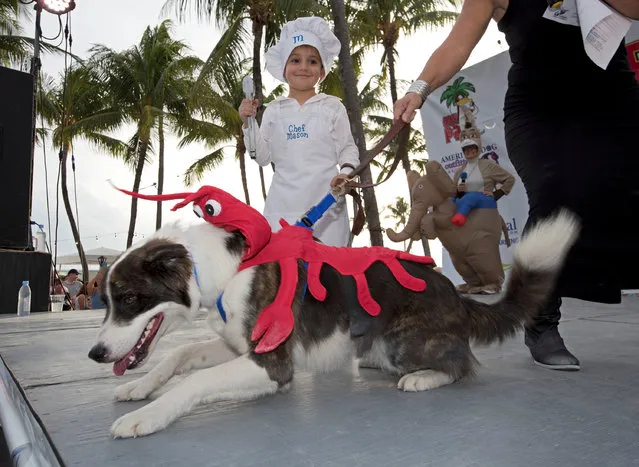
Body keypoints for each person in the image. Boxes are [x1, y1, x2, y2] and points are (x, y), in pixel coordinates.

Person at [394, 0, 639, 371]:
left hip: (612, 98)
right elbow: (457, 44)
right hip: (540, 108)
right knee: (554, 193)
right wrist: (419, 89)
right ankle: (539, 319)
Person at [238, 16, 360, 247]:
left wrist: (345, 173)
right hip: (281, 210)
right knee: (284, 277)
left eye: (313, 61)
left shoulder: (332, 107)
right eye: (295, 60)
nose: (303, 67)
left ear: (322, 71)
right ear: (284, 68)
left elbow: (347, 149)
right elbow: (262, 157)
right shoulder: (274, 110)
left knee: (328, 277)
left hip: (327, 207)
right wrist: (248, 123)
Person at [451, 107, 515, 227]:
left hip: (485, 208)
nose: (469, 151)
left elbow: (510, 179)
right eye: (466, 149)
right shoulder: (459, 172)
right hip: (466, 214)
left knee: (472, 196)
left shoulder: (488, 165)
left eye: (472, 147)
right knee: (450, 202)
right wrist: (459, 192)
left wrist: (497, 194)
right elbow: (454, 195)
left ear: (478, 147)